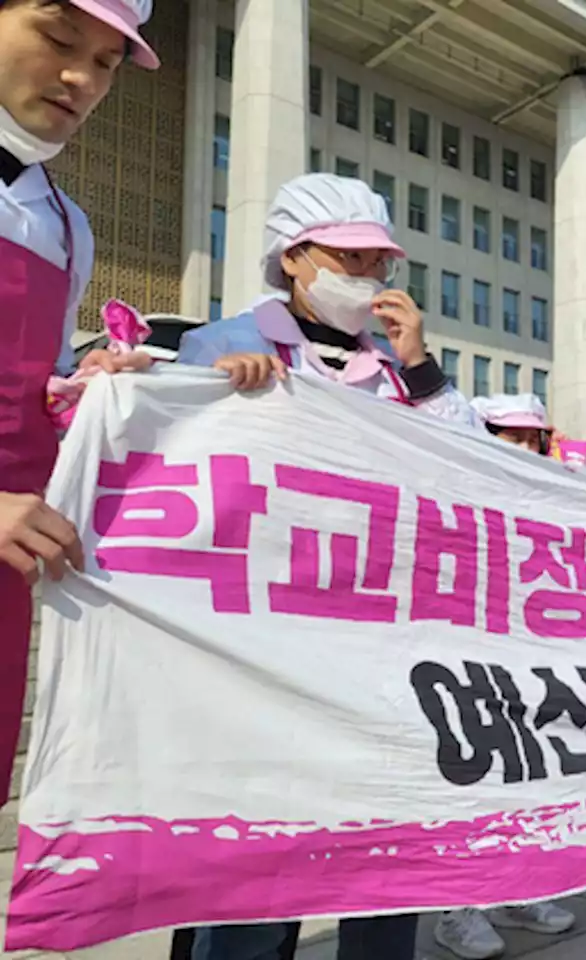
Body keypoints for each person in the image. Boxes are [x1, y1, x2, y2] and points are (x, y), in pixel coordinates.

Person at [178, 172, 476, 960]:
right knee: (255, 880)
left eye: (380, 262)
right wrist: (214, 392)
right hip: (267, 655)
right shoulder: (227, 342)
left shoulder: (400, 368)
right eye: (351, 258)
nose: (370, 277)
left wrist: (420, 370)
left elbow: (474, 471)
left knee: (384, 872)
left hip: (384, 656)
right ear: (298, 256)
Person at [0, 0, 160, 797]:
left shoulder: (66, 226)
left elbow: (34, 388)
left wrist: (84, 391)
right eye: (61, 39)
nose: (80, 79)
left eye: (105, 62)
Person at [429, 395, 580, 959]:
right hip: (464, 662)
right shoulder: (456, 484)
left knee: (526, 779)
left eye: (531, 437)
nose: (523, 447)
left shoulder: (547, 491)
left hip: (528, 662)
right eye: (509, 435)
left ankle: (522, 889)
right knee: (467, 783)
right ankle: (457, 908)